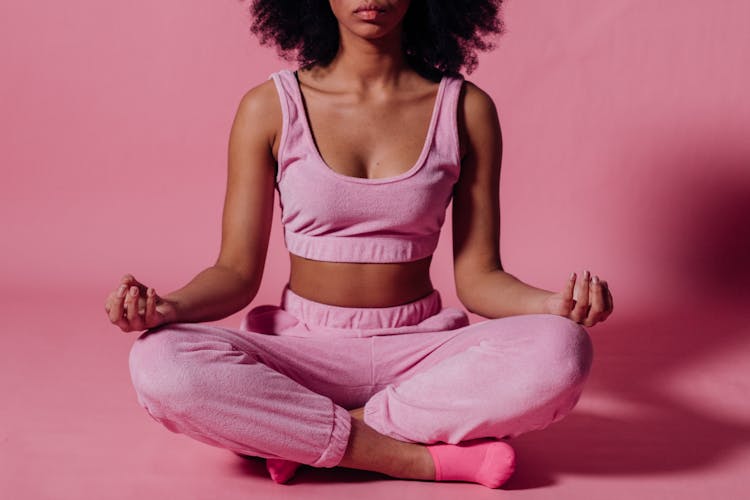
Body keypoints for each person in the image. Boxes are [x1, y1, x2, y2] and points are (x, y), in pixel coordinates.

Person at [104, 0, 613, 489]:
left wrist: (553, 306)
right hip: (300, 353)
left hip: (420, 352)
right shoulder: (269, 108)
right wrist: (169, 307)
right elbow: (235, 273)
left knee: (562, 349)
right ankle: (411, 460)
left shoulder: (465, 109)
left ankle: (299, 437)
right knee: (160, 361)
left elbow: (480, 279)